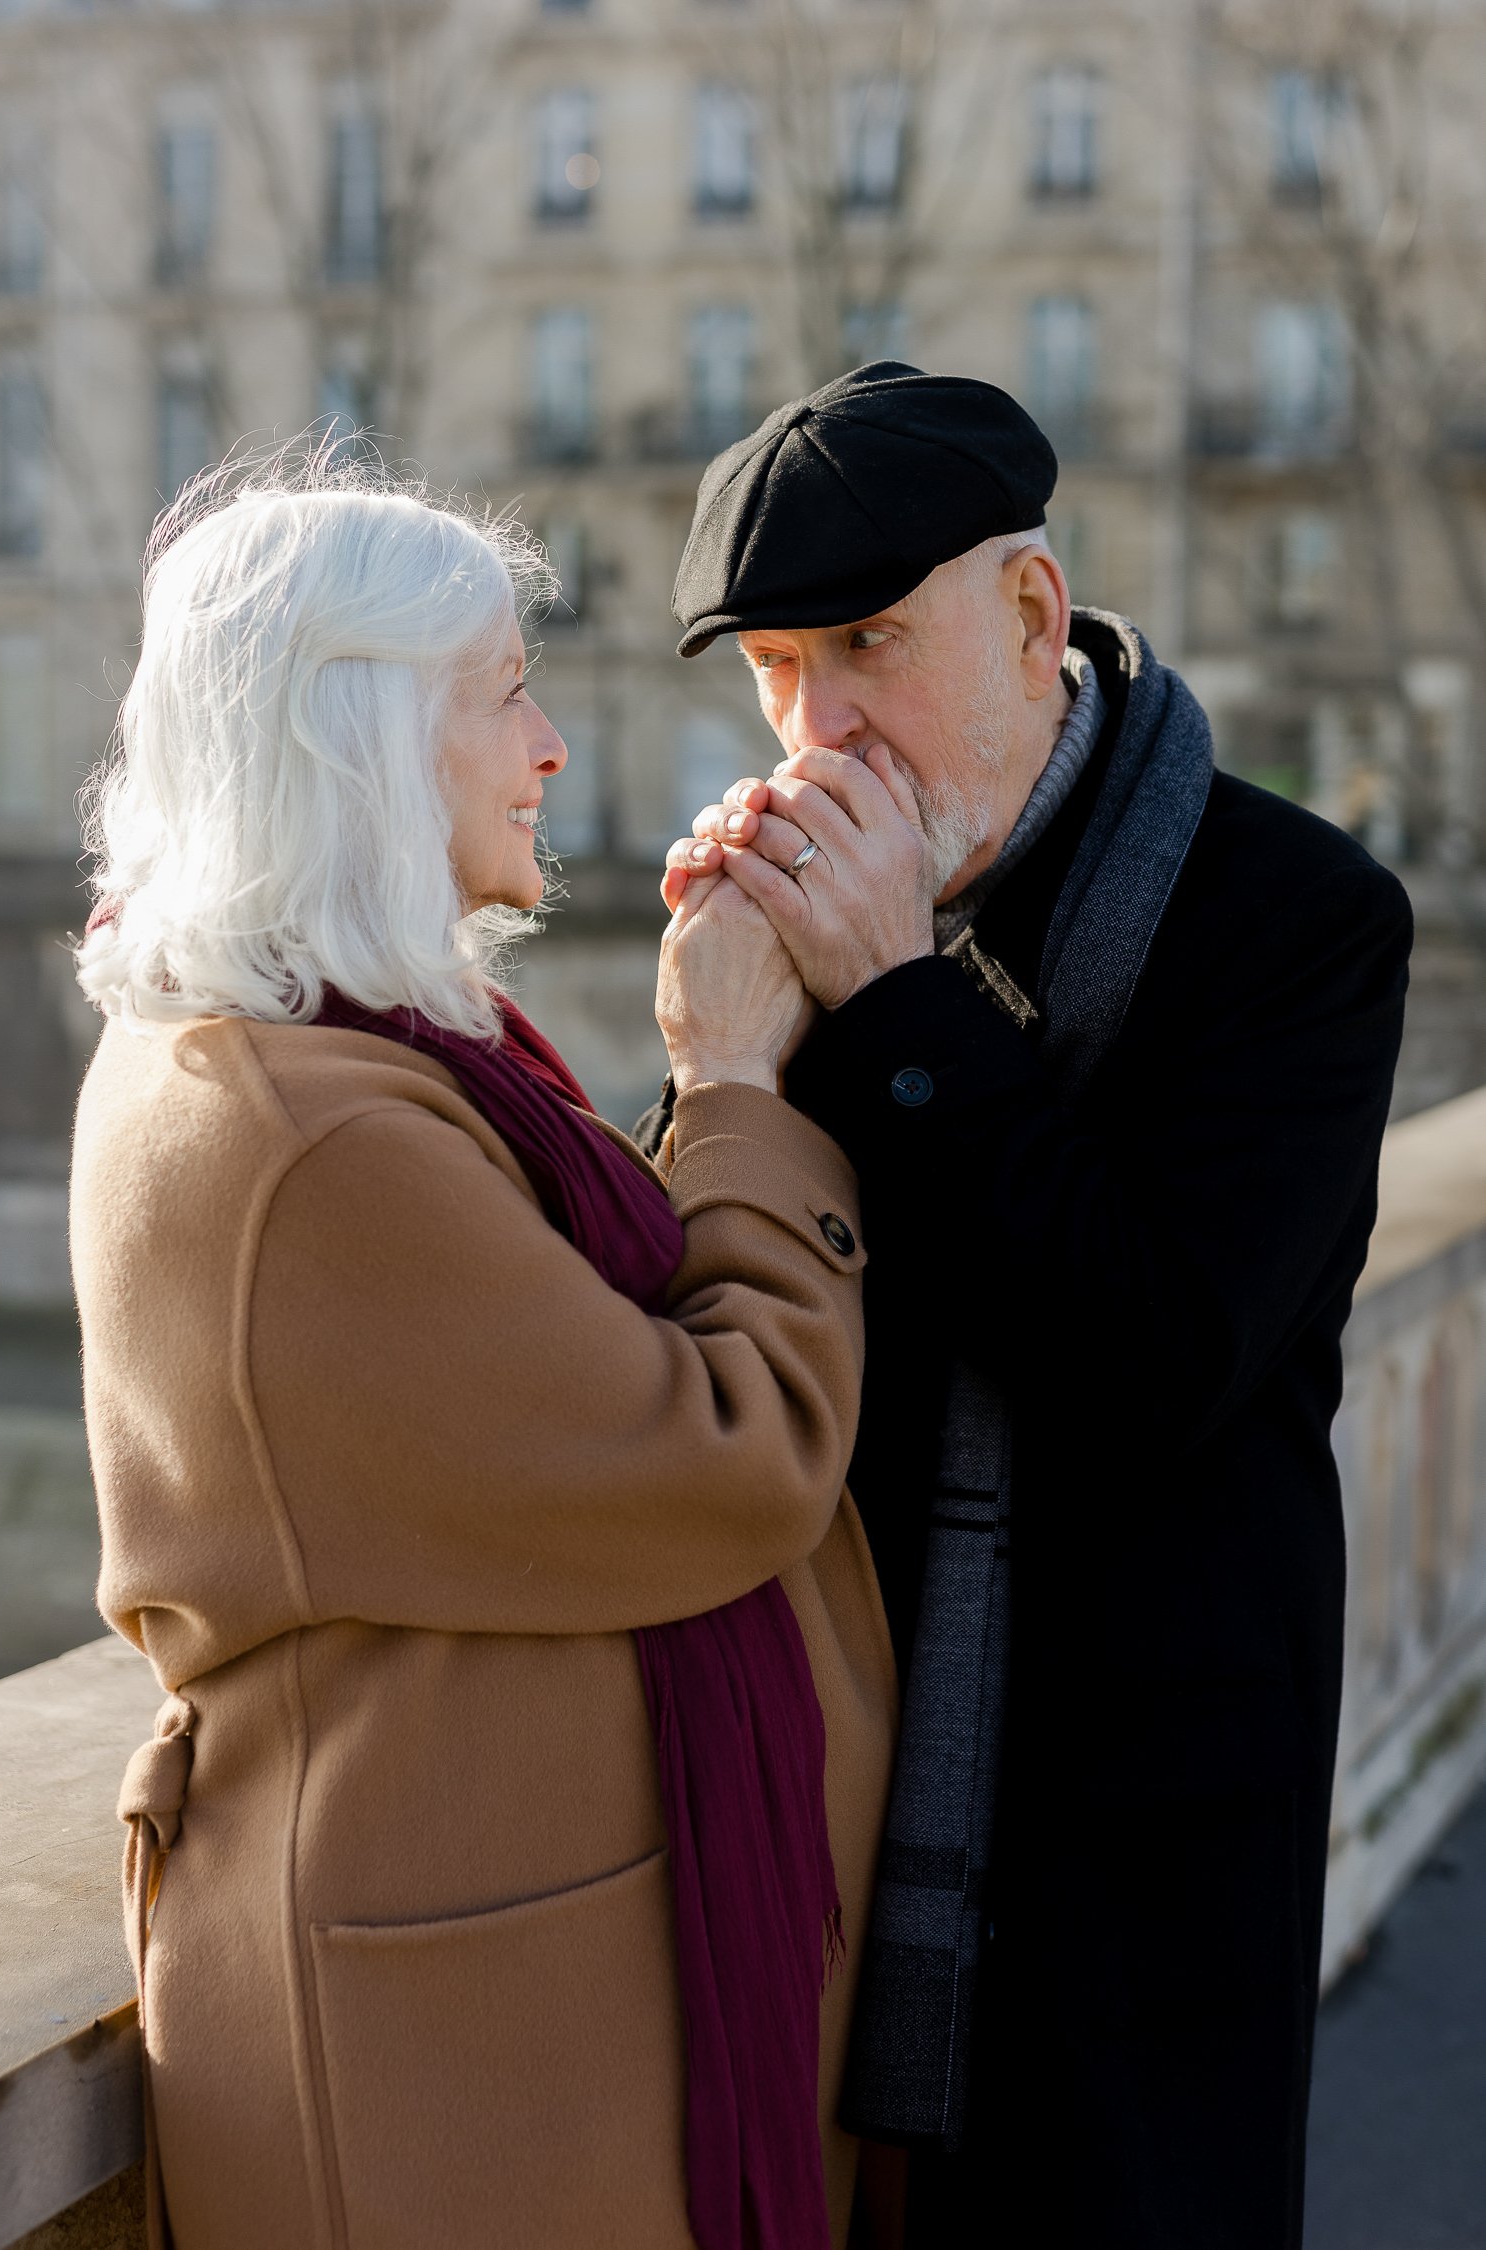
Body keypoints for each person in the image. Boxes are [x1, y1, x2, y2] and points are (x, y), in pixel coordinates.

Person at [69, 455, 898, 2250]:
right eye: (508, 690)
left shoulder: (333, 1053)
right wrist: (744, 1088)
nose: (552, 747)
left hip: (495, 2005)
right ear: (363, 739)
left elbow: (573, 1382)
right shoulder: (315, 1134)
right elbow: (721, 1448)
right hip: (463, 2057)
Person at [653, 362, 1413, 2249]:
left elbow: (1154, 1354)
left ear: (1030, 615)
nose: (819, 727)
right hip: (828, 1842)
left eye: (867, 644)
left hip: (1140, 1874)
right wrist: (718, 1071)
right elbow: (683, 1367)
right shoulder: (807, 930)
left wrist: (900, 1002)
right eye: (772, 669)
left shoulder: (1298, 920)